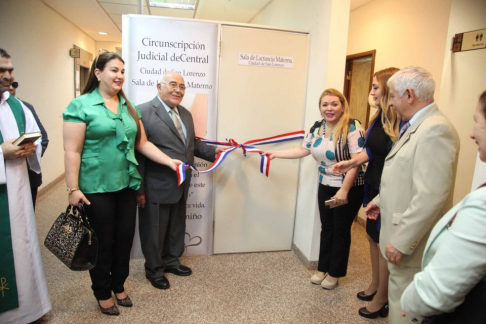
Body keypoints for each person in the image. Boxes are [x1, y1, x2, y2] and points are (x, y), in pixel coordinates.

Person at [63, 51, 182, 316]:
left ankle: (119, 284)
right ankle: (102, 291)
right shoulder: (80, 106)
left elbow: (142, 143)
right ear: (98, 73)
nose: (119, 76)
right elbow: (72, 151)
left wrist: (170, 162)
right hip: (96, 186)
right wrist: (73, 188)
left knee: (125, 240)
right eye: (113, 70)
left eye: (122, 71)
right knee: (103, 242)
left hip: (126, 185)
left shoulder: (129, 107)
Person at [364, 66, 460, 323]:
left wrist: (403, 241)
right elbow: (404, 177)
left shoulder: (434, 130)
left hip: (411, 243)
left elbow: (430, 195)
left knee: (404, 307)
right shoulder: (415, 126)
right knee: (398, 299)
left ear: (409, 95)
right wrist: (378, 201)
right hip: (398, 230)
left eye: (393, 96)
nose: (390, 102)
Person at [400, 90, 486, 323]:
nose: (471, 133)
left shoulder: (482, 205)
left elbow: (436, 291)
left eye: (476, 121)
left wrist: (410, 302)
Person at [266, 88, 365, 289]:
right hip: (325, 184)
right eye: (325, 104)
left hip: (348, 186)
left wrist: (344, 190)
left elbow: (356, 161)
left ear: (342, 106)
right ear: (320, 108)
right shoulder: (317, 127)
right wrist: (276, 154)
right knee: (327, 227)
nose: (329, 108)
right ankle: (322, 268)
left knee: (340, 230)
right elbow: (303, 149)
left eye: (334, 104)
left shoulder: (353, 127)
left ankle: (335, 273)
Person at [136, 72, 218, 290]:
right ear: (159, 86)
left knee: (175, 227)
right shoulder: (142, 112)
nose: (178, 90)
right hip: (155, 185)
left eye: (182, 87)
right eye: (173, 85)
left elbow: (192, 145)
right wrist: (139, 189)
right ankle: (154, 269)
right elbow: (138, 153)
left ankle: (171, 261)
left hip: (181, 183)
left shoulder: (185, 114)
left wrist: (219, 153)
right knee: (154, 230)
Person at [333, 67, 400, 318]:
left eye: (375, 87)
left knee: (383, 241)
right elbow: (371, 152)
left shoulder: (399, 122)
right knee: (372, 237)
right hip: (373, 183)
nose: (371, 91)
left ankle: (383, 297)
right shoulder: (378, 118)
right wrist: (350, 163)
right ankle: (375, 284)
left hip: (389, 186)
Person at [0, 48, 51, 323]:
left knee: (22, 247)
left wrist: (31, 147)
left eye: (10, 70)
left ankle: (29, 309)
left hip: (18, 190)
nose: (9, 76)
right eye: (2, 71)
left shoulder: (17, 106)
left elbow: (39, 138)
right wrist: (2, 153)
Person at [9, 80, 49, 209]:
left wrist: (32, 152)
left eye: (13, 84)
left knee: (28, 214)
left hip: (29, 173)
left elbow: (43, 138)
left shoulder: (26, 108)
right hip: (6, 176)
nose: (11, 88)